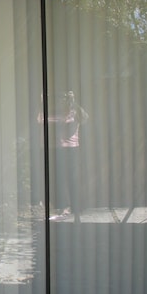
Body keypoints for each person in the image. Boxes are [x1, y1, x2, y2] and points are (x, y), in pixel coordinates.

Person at [48, 91, 88, 221]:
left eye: (66, 99)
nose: (63, 101)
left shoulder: (75, 112)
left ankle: (76, 209)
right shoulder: (57, 112)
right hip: (59, 149)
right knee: (59, 178)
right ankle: (63, 207)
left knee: (73, 179)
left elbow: (85, 118)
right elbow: (40, 118)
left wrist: (74, 102)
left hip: (72, 149)